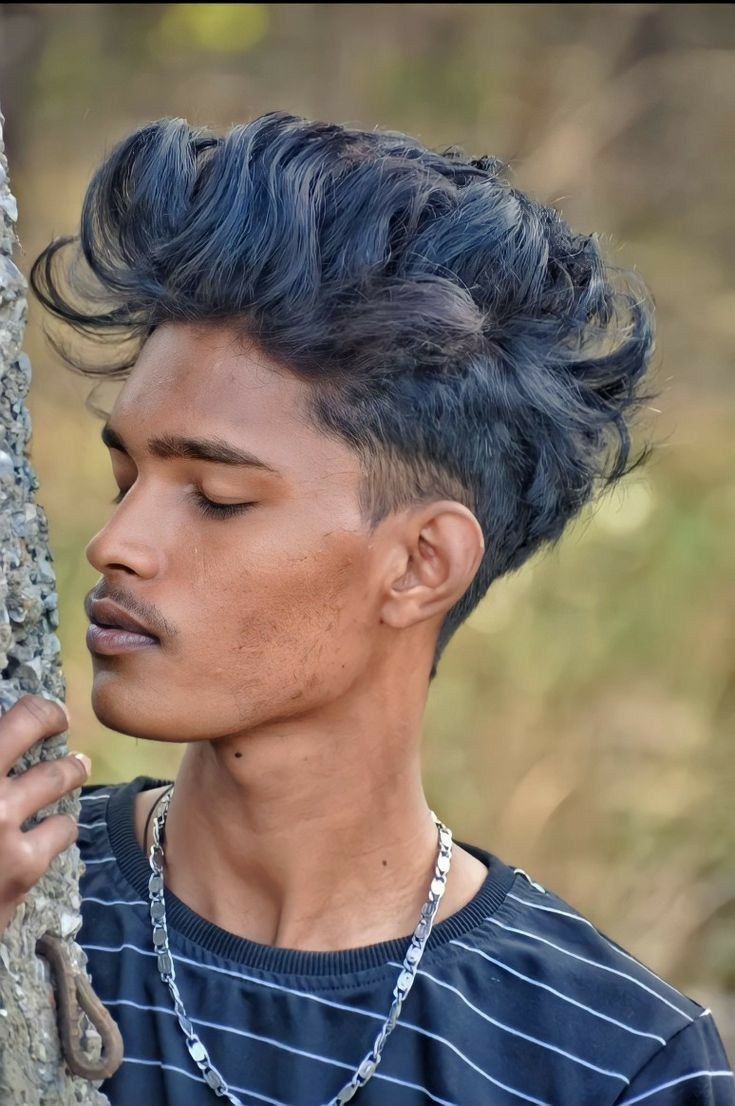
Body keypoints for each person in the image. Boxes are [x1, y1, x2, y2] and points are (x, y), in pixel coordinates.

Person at [1, 112, 732, 1105]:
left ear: (422, 563)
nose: (116, 541)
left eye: (218, 498)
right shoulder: (26, 888)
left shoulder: (611, 1062)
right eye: (126, 474)